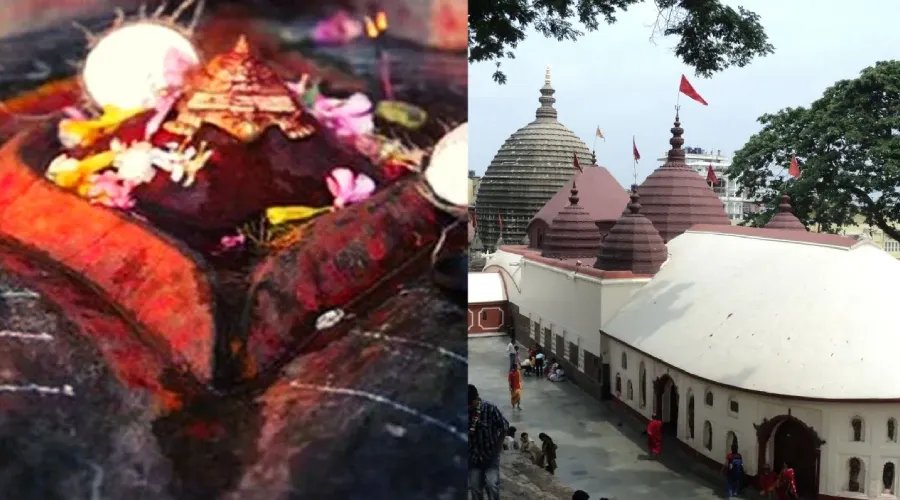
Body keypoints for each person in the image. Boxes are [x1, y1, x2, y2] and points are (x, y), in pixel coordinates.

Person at [469, 384, 508, 500]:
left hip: (490, 455)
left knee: (492, 485)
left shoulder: (490, 409)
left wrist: (498, 447)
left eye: (470, 403)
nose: (468, 407)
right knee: (475, 488)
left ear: (476, 398)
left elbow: (504, 427)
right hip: (473, 456)